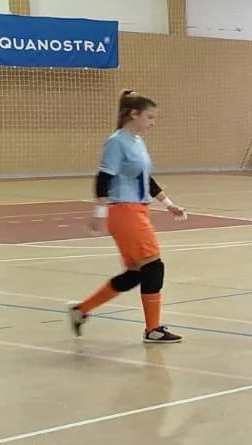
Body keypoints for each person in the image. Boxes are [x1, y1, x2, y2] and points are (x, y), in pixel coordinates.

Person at [67, 91, 188, 343]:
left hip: (138, 210)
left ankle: (81, 310)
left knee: (136, 273)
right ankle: (153, 329)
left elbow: (145, 179)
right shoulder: (116, 142)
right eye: (149, 117)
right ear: (133, 114)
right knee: (154, 266)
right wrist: (99, 214)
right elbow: (104, 179)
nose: (152, 122)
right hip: (124, 211)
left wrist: (169, 204)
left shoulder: (137, 141)